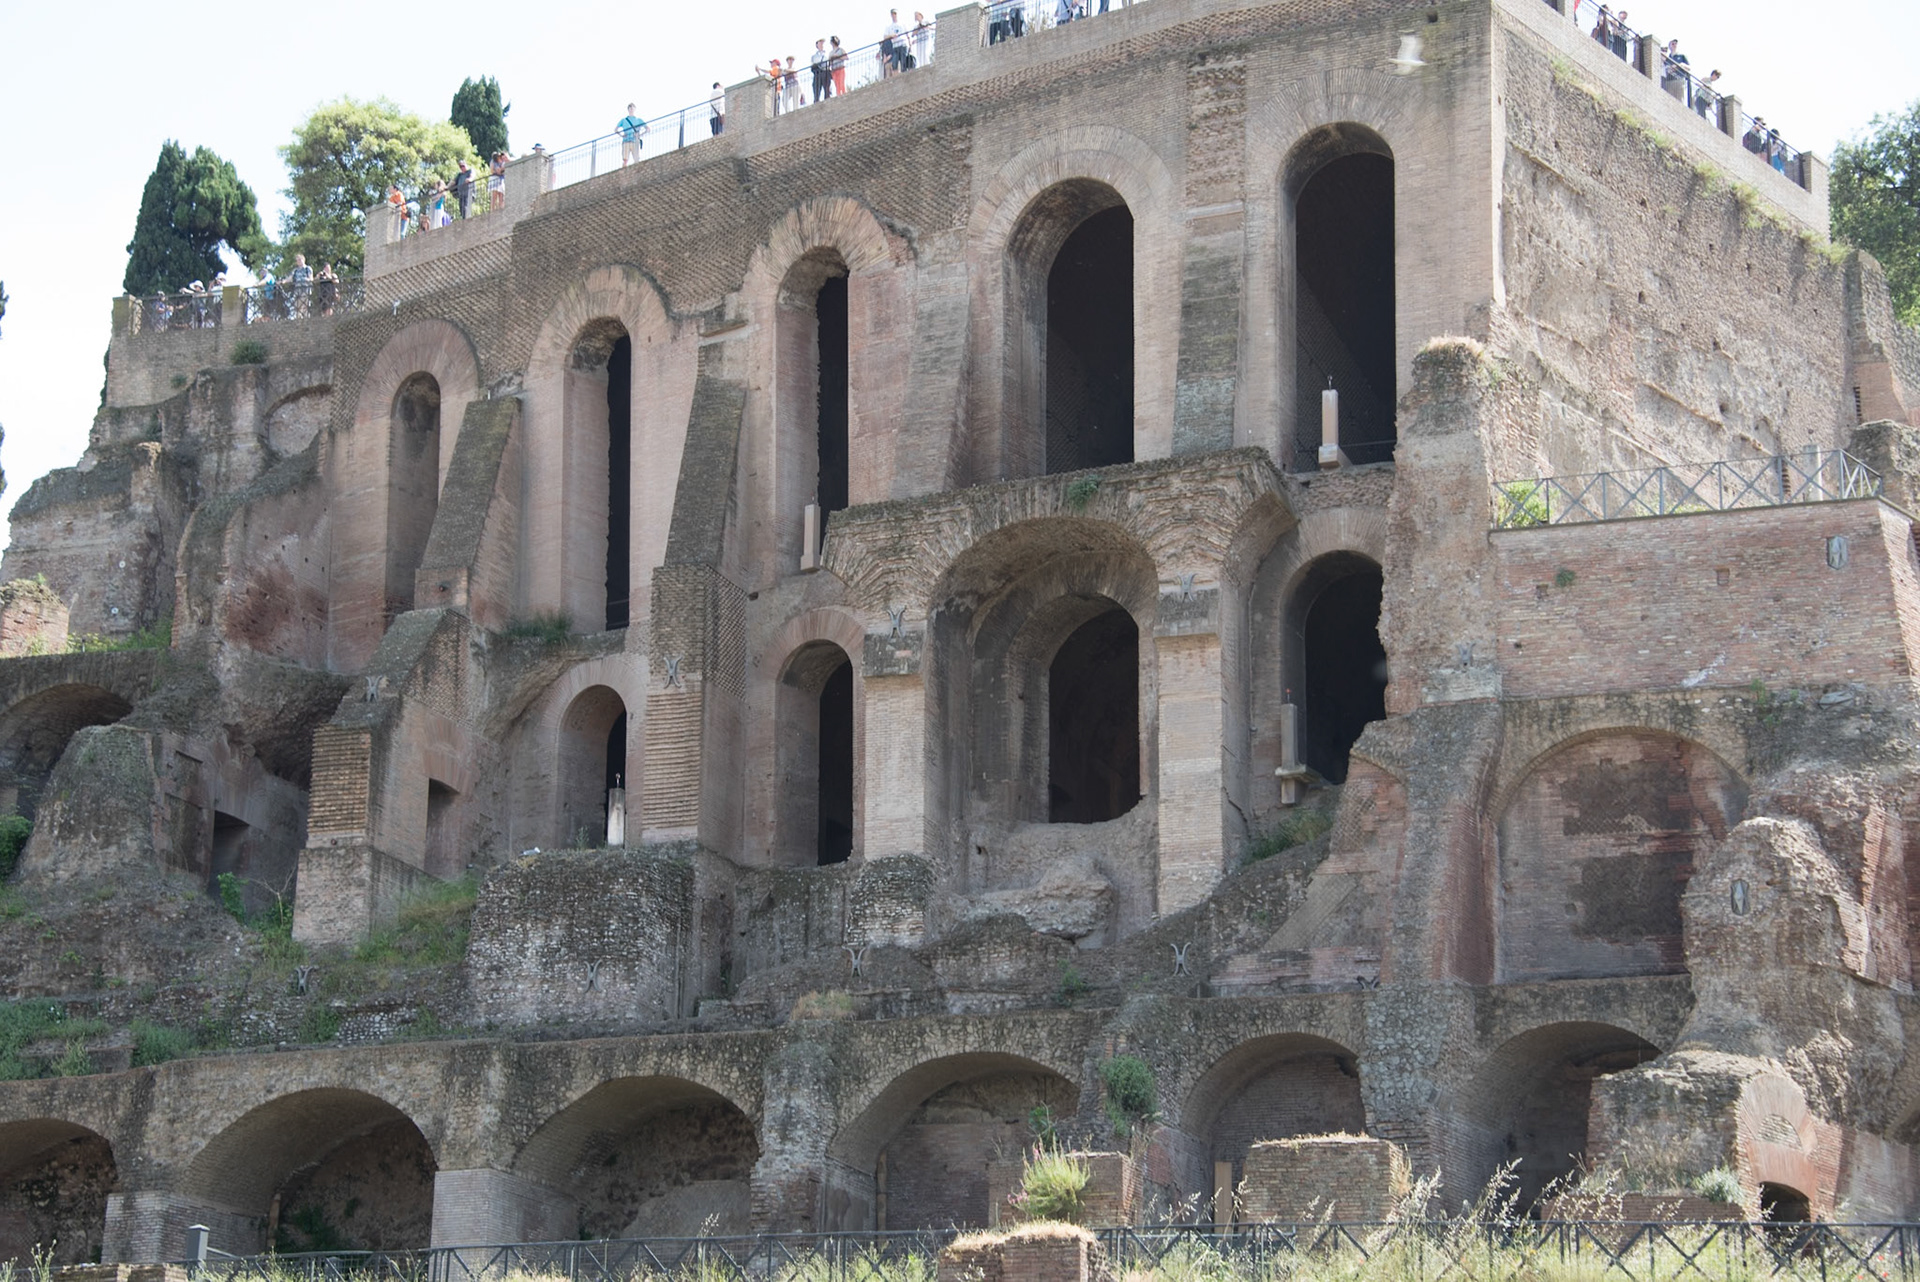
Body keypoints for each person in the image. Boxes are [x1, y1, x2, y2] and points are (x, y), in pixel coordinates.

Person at [882, 10, 907, 76]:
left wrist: (910, 45)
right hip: (895, 46)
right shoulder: (889, 26)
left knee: (903, 63)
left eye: (895, 14)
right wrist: (891, 36)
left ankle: (904, 76)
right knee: (894, 64)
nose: (894, 16)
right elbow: (885, 36)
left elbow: (907, 34)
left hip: (903, 44)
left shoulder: (902, 24)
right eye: (893, 14)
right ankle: (896, 78)